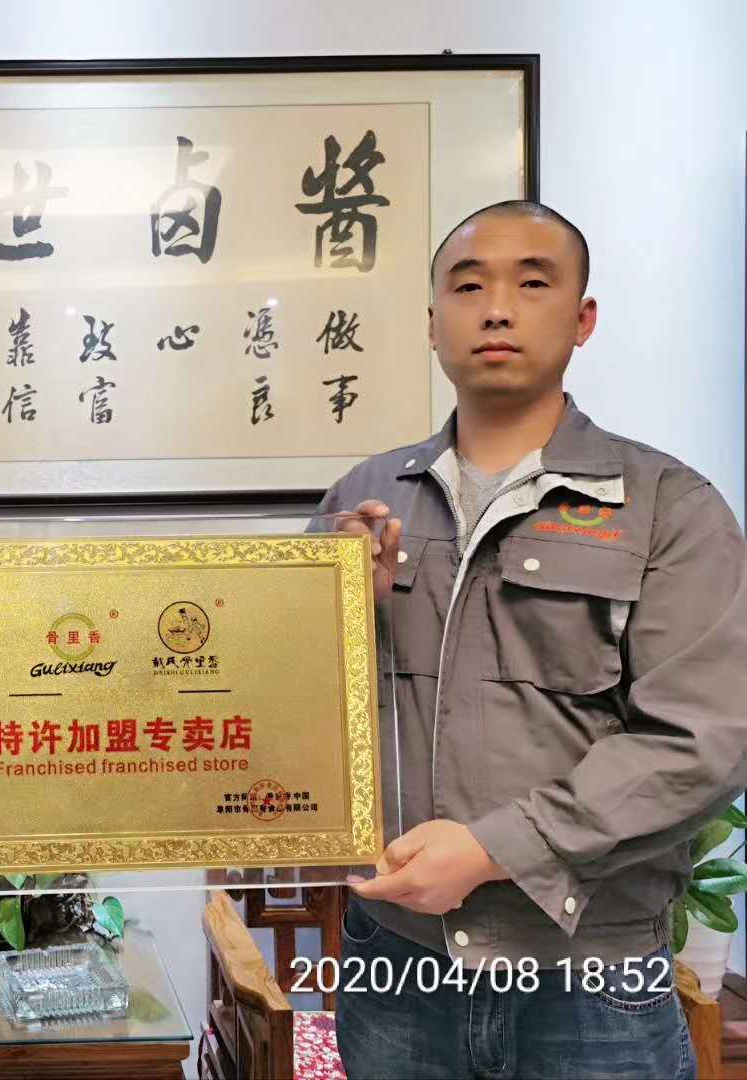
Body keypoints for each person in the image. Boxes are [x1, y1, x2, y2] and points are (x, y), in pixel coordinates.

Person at [319, 200, 747, 1079]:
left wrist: (493, 850)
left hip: (590, 974)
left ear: (583, 319)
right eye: (468, 286)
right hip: (396, 963)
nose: (497, 309)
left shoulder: (668, 506)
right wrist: (341, 614)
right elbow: (288, 717)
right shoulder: (362, 500)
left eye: (533, 283)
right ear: (431, 322)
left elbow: (704, 739)